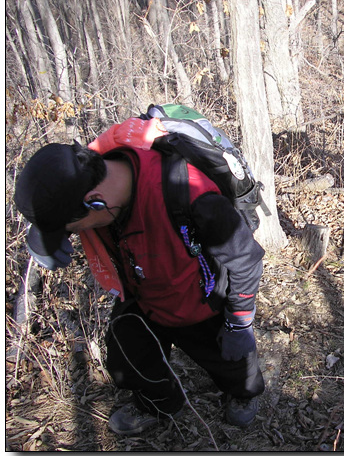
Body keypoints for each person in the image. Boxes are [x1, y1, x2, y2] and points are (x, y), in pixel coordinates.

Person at [13, 116, 266, 435]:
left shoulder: (187, 190)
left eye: (74, 229)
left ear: (95, 202)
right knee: (125, 359)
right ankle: (160, 403)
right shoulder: (99, 173)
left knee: (234, 365)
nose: (76, 236)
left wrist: (239, 322)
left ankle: (243, 395)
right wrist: (50, 233)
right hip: (141, 291)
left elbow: (246, 258)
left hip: (197, 297)